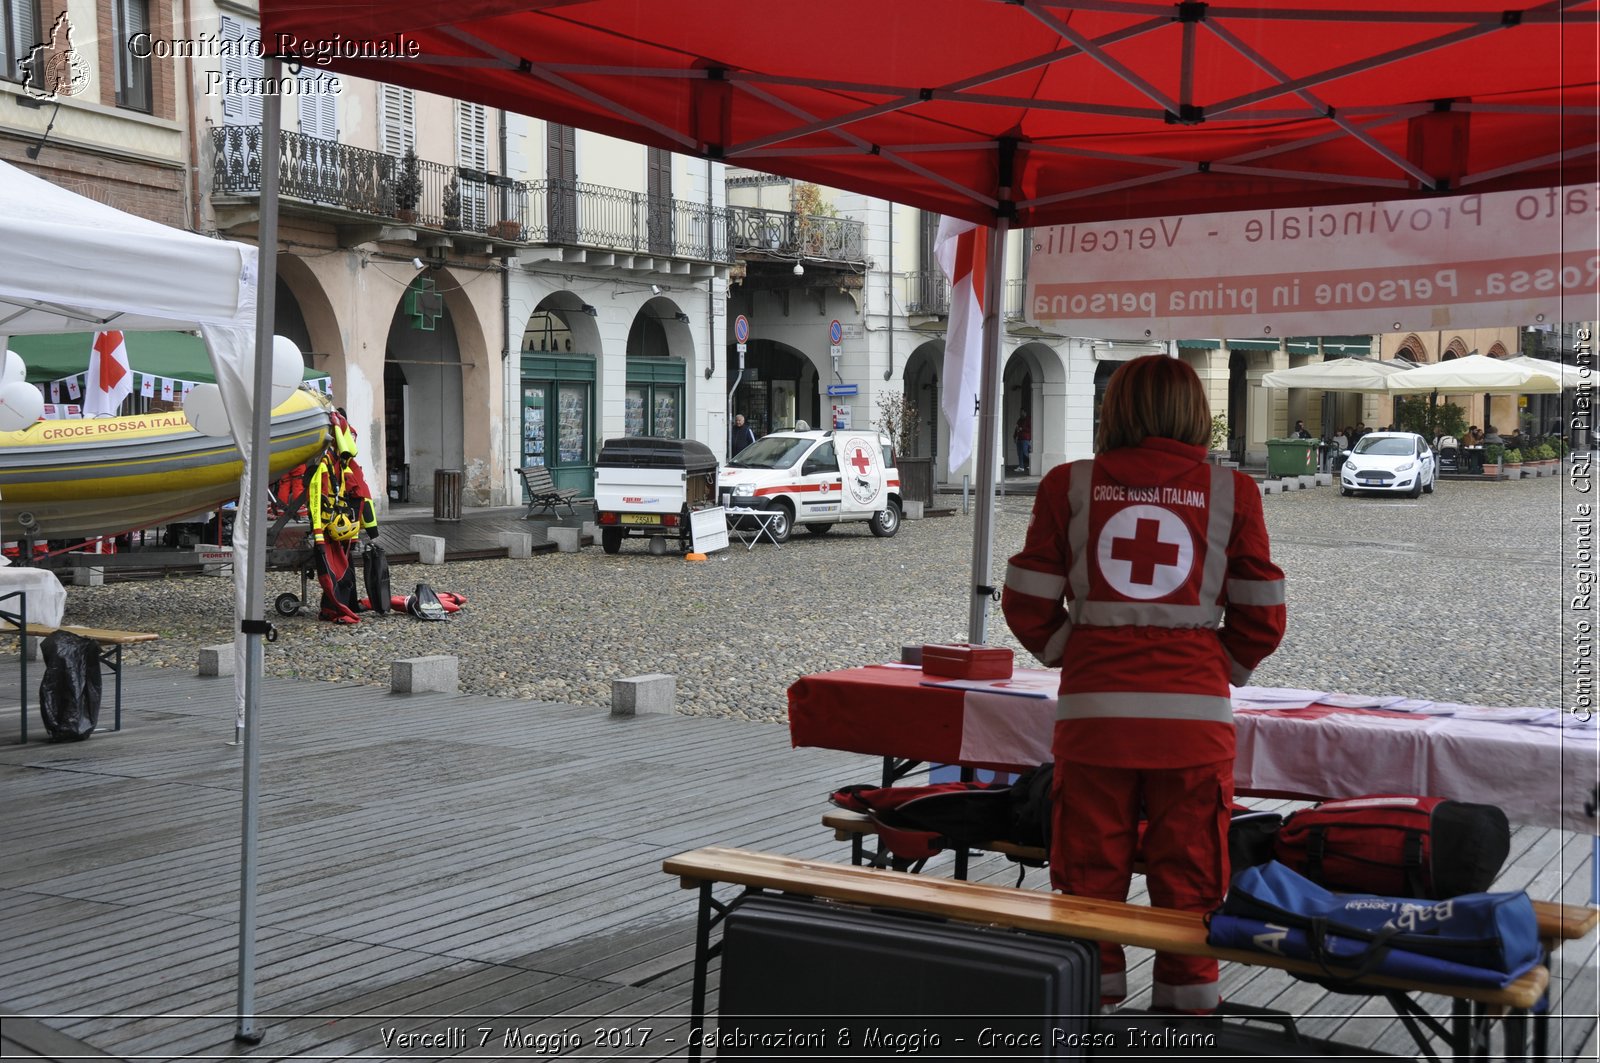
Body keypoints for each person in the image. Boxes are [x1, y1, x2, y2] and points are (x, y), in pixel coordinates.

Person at [1001, 355, 1286, 1014]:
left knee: (1087, 882)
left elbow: (1027, 597)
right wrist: (1218, 664)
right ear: (1197, 413)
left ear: (1114, 407)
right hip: (1195, 727)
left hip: (1094, 718)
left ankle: (1086, 1020)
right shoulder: (1232, 494)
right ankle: (1184, 1032)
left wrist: (1075, 650)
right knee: (1190, 886)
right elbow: (1263, 613)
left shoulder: (1068, 486)